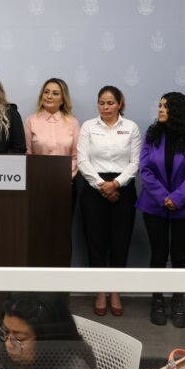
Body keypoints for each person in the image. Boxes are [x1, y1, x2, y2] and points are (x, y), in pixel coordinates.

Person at [136, 92, 185, 329]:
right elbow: (144, 169)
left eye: (165, 106)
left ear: (178, 110)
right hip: (154, 204)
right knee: (158, 254)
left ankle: (178, 302)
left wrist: (176, 198)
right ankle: (157, 301)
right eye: (160, 105)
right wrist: (163, 197)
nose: (160, 109)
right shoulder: (152, 134)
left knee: (180, 256)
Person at [76, 85, 141, 317]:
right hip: (94, 187)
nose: (105, 107)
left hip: (123, 188)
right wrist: (102, 185)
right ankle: (100, 291)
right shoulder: (88, 127)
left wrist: (116, 184)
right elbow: (82, 161)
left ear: (120, 104)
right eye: (101, 103)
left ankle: (115, 291)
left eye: (110, 103)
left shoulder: (131, 127)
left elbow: (135, 162)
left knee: (120, 241)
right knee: (95, 241)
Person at [24, 77, 80, 178]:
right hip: (37, 178)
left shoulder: (73, 123)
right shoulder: (31, 121)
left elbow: (76, 156)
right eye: (46, 92)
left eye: (55, 93)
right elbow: (28, 154)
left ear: (63, 100)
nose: (49, 96)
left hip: (66, 179)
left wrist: (66, 175)